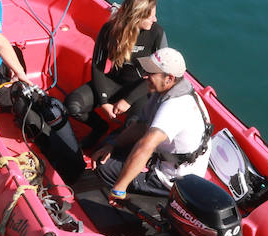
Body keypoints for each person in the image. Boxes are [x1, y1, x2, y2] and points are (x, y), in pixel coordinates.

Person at [91, 47, 212, 202]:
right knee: (106, 145)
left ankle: (135, 197)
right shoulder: (166, 91)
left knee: (105, 167)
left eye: (151, 73)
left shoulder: (175, 106)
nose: (145, 76)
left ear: (169, 78)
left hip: (172, 178)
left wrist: (119, 188)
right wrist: (112, 145)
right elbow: (141, 126)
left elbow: (145, 146)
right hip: (166, 156)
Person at [65, 0, 166, 145]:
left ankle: (113, 145)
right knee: (72, 104)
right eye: (150, 16)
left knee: (134, 126)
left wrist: (128, 100)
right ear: (136, 16)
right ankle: (100, 128)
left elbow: (158, 75)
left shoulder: (156, 33)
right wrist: (104, 101)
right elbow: (98, 66)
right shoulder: (110, 30)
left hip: (141, 88)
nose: (155, 19)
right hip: (114, 81)